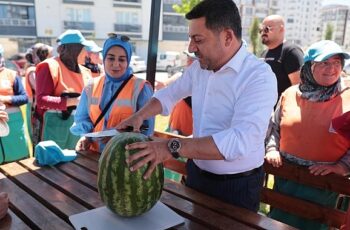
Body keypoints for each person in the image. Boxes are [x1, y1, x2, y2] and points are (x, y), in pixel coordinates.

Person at [116, 0, 277, 212]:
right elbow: (169, 94)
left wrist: (170, 147)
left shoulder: (259, 76)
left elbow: (240, 139)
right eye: (190, 39)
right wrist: (139, 115)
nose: (191, 48)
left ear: (227, 37)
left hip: (236, 187)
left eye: (198, 40)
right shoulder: (200, 68)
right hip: (196, 176)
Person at [265, 40, 350, 229]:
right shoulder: (289, 94)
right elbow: (274, 127)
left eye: (337, 63)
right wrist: (272, 149)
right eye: (324, 63)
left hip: (324, 186)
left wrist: (342, 167)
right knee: (278, 223)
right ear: (309, 66)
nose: (332, 68)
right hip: (285, 179)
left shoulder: (348, 97)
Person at [70, 34, 154, 153]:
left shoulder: (141, 88)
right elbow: (83, 118)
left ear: (128, 60)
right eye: (111, 58)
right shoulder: (91, 86)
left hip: (124, 159)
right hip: (93, 155)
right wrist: (85, 137)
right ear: (104, 58)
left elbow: (146, 130)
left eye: (121, 59)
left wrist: (119, 139)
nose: (115, 64)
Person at [35, 29, 92, 149]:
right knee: (53, 164)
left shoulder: (86, 72)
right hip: (56, 126)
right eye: (84, 49)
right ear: (74, 50)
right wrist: (75, 101)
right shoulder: (49, 66)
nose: (87, 54)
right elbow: (41, 100)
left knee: (77, 164)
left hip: (79, 128)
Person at [260, 15, 304, 101]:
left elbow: (299, 88)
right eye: (261, 29)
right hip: (267, 110)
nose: (263, 32)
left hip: (284, 111)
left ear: (281, 29)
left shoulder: (291, 51)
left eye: (267, 29)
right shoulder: (264, 54)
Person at [0, 44, 29, 162]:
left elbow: (24, 97)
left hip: (13, 123)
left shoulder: (11, 75)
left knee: (18, 158)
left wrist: (4, 99)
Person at [156, 51, 196, 136]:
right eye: (188, 59)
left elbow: (178, 77)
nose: (188, 62)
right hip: (174, 129)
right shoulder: (185, 77)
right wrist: (165, 84)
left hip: (186, 134)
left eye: (192, 60)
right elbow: (178, 76)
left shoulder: (197, 83)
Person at [24, 43, 53, 140]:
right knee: (38, 137)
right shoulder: (33, 70)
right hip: (36, 110)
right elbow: (40, 88)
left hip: (43, 109)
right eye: (50, 54)